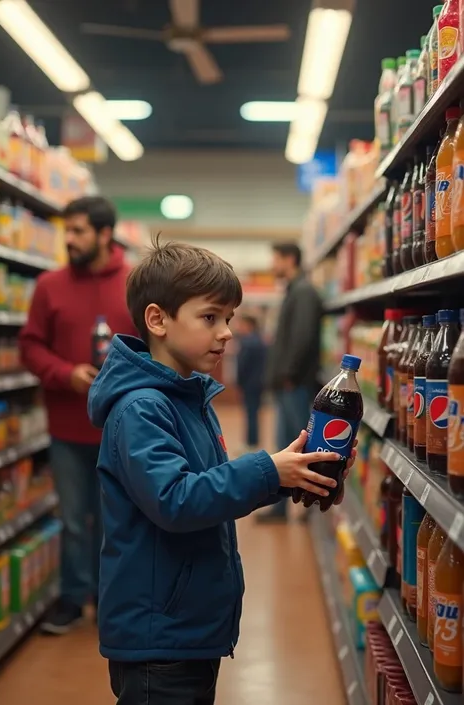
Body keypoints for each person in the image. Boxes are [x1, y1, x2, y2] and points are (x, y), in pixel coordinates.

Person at [87, 237, 355, 705]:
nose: (227, 331)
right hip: (159, 637)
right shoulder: (141, 409)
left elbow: (211, 485)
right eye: (210, 317)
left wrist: (287, 471)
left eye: (228, 318)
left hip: (189, 626)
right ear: (158, 320)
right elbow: (177, 500)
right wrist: (268, 472)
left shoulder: (188, 395)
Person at [19, 196, 136, 635]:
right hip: (67, 427)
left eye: (78, 231)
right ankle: (72, 596)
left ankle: (110, 601)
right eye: (66, 230)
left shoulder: (134, 282)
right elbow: (30, 346)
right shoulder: (49, 285)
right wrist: (66, 374)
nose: (68, 239)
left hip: (121, 429)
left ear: (105, 234)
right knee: (72, 519)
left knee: (116, 521)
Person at [259, 242, 323, 523]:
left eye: (275, 259)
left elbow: (303, 337)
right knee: (285, 444)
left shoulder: (304, 292)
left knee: (301, 446)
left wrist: (289, 374)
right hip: (288, 383)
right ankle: (282, 506)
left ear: (289, 259)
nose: (273, 265)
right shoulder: (294, 290)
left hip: (294, 383)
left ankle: (309, 502)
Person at [236, 314, 268, 451]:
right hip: (258, 383)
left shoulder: (248, 342)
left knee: (250, 413)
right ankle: (253, 441)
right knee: (254, 413)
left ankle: (251, 443)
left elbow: (242, 365)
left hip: (249, 383)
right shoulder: (260, 341)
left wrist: (239, 380)